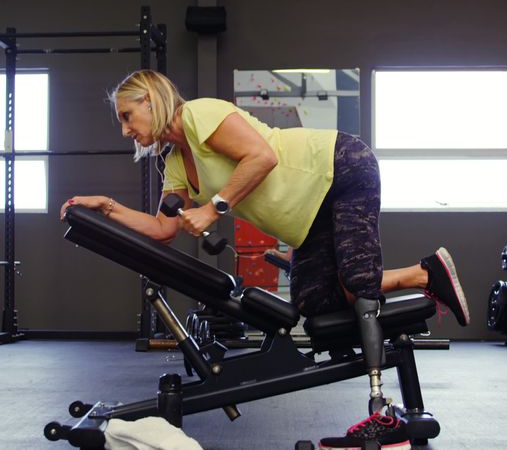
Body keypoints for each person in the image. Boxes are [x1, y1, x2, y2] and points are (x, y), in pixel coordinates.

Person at [61, 70, 469, 449]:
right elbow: (163, 229)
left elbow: (261, 156)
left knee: (358, 280)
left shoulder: (200, 114)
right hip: (308, 220)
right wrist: (107, 207)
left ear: (151, 100)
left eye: (128, 116)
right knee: (316, 304)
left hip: (337, 169)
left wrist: (214, 207)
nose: (126, 129)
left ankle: (380, 407)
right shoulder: (173, 161)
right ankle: (423, 274)